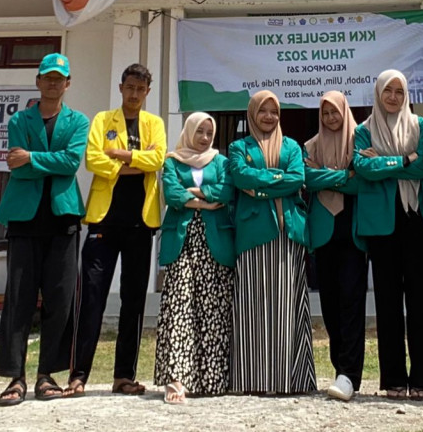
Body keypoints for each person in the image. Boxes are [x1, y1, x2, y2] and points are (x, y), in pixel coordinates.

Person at [0, 52, 90, 407]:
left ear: (67, 83)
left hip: (62, 217)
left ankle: (47, 373)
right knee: (18, 297)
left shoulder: (78, 121)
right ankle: (14, 377)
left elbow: (69, 162)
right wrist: (38, 163)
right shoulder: (19, 119)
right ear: (37, 81)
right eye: (46, 76)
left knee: (60, 300)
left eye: (58, 77)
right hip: (23, 218)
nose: (52, 82)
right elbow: (14, 168)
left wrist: (32, 157)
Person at [67, 63, 166, 398]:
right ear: (121, 87)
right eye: (130, 87)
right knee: (91, 298)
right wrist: (135, 162)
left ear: (147, 92)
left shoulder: (155, 123)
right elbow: (94, 160)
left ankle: (124, 376)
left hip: (141, 223)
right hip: (103, 222)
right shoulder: (102, 120)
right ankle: (78, 375)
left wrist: (121, 156)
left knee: (134, 301)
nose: (134, 94)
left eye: (141, 89)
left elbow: (158, 161)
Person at [353, 70, 423, 401]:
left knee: (420, 301)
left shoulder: (421, 126)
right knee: (388, 303)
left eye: (399, 91)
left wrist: (387, 161)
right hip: (382, 223)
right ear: (377, 93)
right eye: (387, 90)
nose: (393, 97)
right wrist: (405, 159)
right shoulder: (364, 131)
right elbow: (363, 168)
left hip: (417, 219)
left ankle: (422, 380)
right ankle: (393, 378)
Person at [227, 90, 316, 395]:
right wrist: (277, 183)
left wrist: (262, 187)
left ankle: (289, 380)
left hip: (287, 234)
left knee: (286, 307)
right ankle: (252, 379)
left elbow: (297, 178)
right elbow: (240, 177)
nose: (268, 117)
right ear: (252, 114)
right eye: (263, 111)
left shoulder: (291, 145)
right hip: (253, 234)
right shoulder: (238, 147)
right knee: (254, 307)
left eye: (274, 111)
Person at [154, 112, 236, 404]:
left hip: (215, 243)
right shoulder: (173, 160)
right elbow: (172, 194)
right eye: (199, 131)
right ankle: (177, 380)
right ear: (189, 131)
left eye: (208, 133)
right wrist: (206, 202)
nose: (203, 138)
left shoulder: (222, 162)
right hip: (183, 242)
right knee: (179, 308)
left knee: (213, 310)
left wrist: (196, 195)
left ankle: (212, 378)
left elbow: (226, 192)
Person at [303, 91, 366, 402]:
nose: (330, 118)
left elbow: (361, 181)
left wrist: (326, 175)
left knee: (351, 302)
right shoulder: (310, 146)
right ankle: (340, 368)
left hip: (353, 232)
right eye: (325, 113)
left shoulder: (360, 140)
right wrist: (343, 174)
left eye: (334, 112)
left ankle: (350, 374)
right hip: (324, 233)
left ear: (344, 111)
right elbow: (309, 180)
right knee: (329, 305)